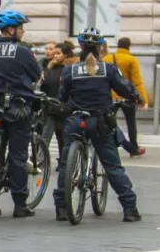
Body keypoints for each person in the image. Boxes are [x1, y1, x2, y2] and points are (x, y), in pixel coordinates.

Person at [54, 28, 142, 223]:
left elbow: (63, 96)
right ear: (100, 47)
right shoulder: (108, 69)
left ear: (80, 46)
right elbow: (124, 88)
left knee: (66, 162)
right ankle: (129, 208)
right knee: (112, 166)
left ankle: (61, 207)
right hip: (100, 122)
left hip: (76, 121)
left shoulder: (69, 70)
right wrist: (135, 96)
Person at [0, 10, 42, 218]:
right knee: (18, 155)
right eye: (21, 28)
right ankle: (20, 204)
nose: (23, 31)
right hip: (18, 107)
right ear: (11, 30)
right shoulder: (22, 52)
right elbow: (36, 75)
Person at [106, 38, 148, 157]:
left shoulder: (106, 59)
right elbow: (137, 82)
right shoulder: (131, 60)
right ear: (129, 46)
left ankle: (108, 144)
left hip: (111, 96)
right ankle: (133, 147)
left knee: (108, 122)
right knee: (131, 123)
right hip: (127, 96)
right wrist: (143, 100)